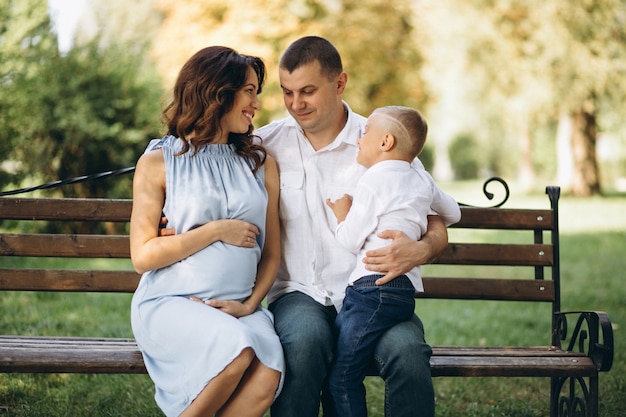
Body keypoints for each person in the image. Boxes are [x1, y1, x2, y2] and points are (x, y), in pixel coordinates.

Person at [255, 36, 459, 417]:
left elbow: (436, 217)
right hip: (300, 293)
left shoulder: (384, 140)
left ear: (339, 83)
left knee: (408, 353)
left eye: (308, 91)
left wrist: (423, 248)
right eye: (287, 92)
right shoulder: (266, 144)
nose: (296, 104)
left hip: (373, 292)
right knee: (302, 344)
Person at [129, 46, 284, 417]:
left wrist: (248, 305)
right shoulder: (159, 163)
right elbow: (143, 256)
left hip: (239, 308)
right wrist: (215, 231)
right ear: (218, 93)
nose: (255, 104)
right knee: (237, 350)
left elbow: (272, 253)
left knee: (269, 372)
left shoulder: (261, 165)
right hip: (173, 302)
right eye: (249, 91)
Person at [324, 106, 461, 417]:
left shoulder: (372, 182)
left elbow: (349, 240)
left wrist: (343, 214)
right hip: (403, 293)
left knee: (342, 378)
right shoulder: (419, 178)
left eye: (366, 133)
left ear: (385, 142)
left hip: (371, 290)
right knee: (347, 347)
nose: (360, 139)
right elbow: (453, 213)